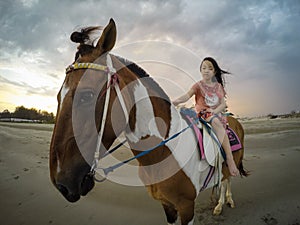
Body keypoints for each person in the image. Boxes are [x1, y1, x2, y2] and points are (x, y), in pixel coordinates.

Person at [173, 57, 239, 177]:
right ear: (200, 70)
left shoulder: (218, 86)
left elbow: (223, 104)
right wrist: (174, 102)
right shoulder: (198, 85)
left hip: (215, 113)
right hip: (201, 113)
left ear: (214, 72)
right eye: (203, 68)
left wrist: (214, 111)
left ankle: (230, 159)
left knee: (218, 124)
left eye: (210, 68)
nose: (206, 70)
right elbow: (187, 96)